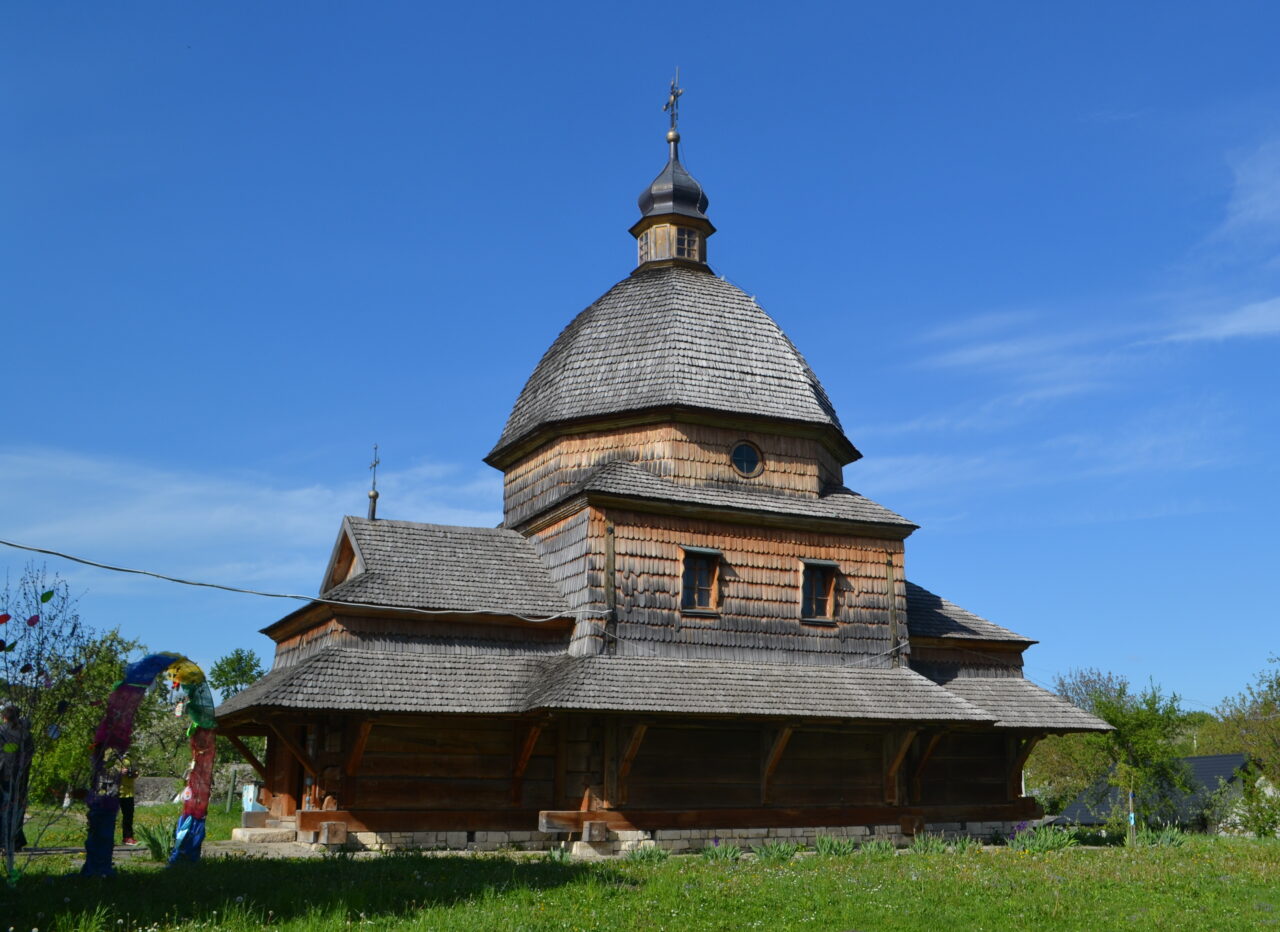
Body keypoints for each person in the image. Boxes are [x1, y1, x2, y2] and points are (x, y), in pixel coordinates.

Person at [1, 704, 34, 854]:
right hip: (21, 776)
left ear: (5, 716)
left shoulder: (2, 731)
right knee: (17, 808)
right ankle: (15, 840)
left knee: (4, 808)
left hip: (5, 776)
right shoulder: (25, 734)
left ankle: (6, 841)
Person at [114, 752, 139, 846]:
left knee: (128, 816)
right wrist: (119, 772)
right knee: (111, 816)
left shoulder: (130, 757)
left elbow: (136, 771)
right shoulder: (112, 757)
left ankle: (127, 837)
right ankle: (108, 838)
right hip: (115, 791)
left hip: (128, 792)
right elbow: (106, 771)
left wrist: (133, 773)